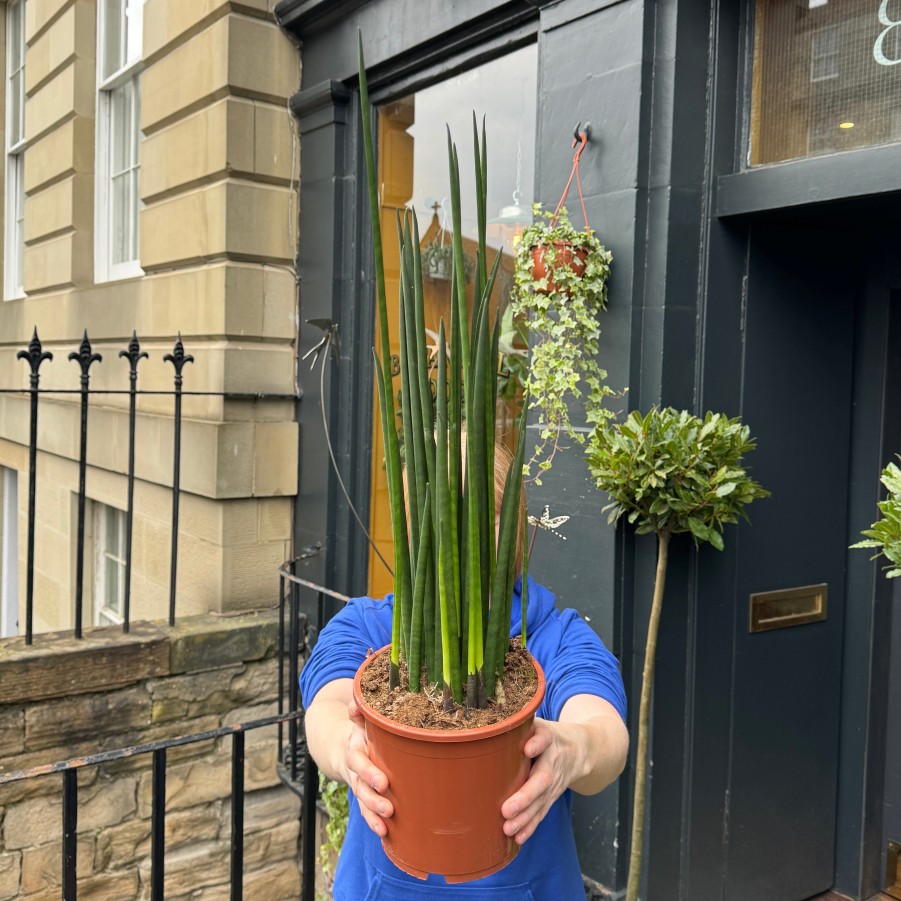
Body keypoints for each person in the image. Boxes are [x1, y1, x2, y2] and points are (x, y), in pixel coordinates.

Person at [300, 448, 629, 900]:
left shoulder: (553, 637)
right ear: (415, 527)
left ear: (511, 529)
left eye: (483, 517)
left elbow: (605, 732)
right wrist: (346, 750)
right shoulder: (368, 626)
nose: (461, 540)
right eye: (445, 518)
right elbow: (328, 706)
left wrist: (572, 749)